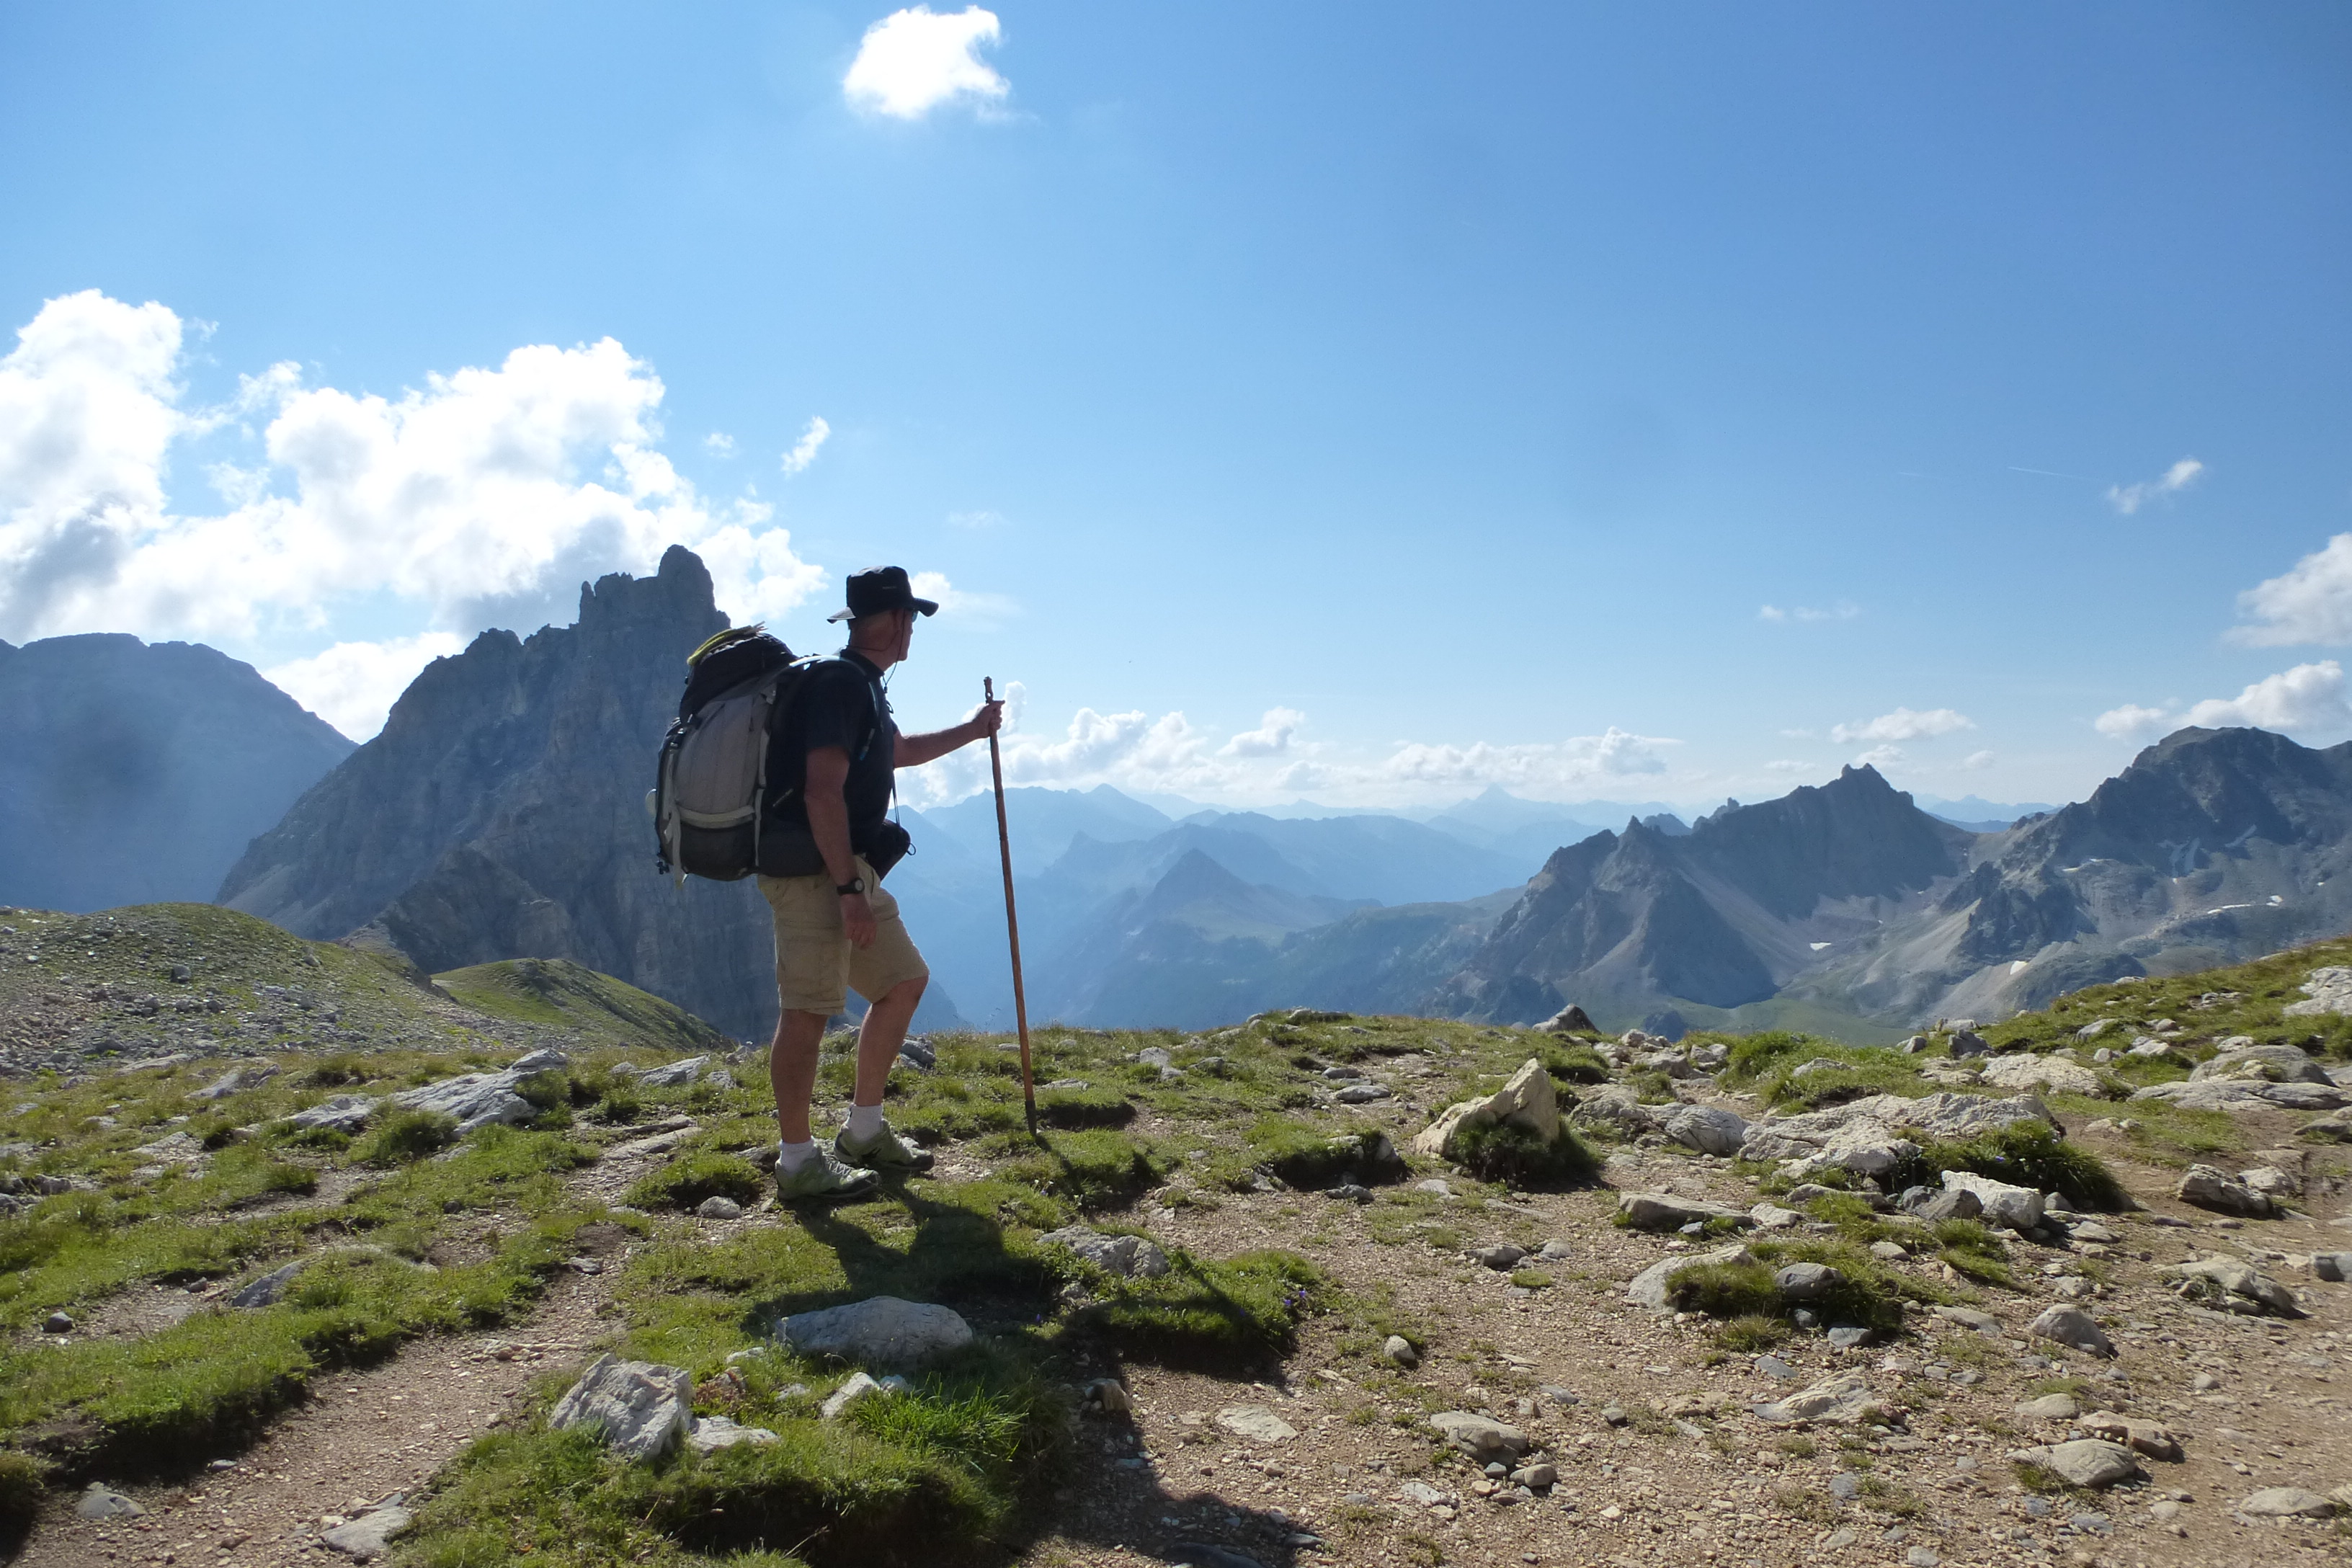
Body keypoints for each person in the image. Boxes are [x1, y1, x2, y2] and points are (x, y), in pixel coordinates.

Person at [762, 565, 1002, 1200]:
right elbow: (821, 791)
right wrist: (846, 893)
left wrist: (974, 731)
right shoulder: (842, 686)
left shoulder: (861, 686)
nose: (912, 632)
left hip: (847, 869)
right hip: (817, 872)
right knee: (809, 1012)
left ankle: (864, 1131)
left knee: (903, 982)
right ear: (897, 622)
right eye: (912, 620)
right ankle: (796, 1163)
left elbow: (897, 753)